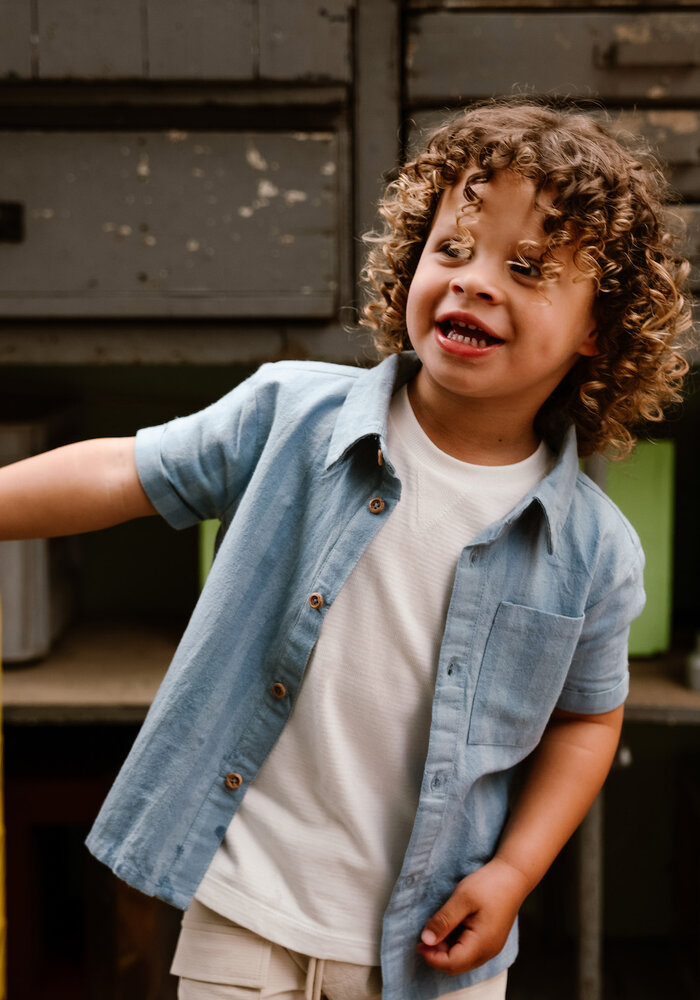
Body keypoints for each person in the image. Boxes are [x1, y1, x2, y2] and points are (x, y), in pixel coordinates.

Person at [0, 98, 690, 1000]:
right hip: (245, 906)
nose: (474, 281)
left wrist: (515, 872)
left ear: (599, 328)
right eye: (452, 249)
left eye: (526, 268)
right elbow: (123, 472)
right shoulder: (292, 412)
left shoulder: (595, 551)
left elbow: (586, 722)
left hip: (435, 946)